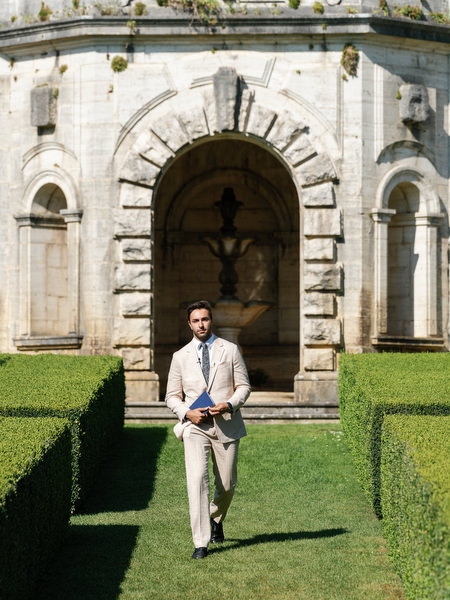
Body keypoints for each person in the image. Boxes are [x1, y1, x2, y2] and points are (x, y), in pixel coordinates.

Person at [165, 300, 251, 559]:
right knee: (197, 483)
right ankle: (201, 543)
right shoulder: (179, 357)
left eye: (205, 319)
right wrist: (186, 412)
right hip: (195, 427)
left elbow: (244, 387)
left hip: (227, 424)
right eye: (196, 320)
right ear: (189, 324)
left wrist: (229, 404)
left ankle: (215, 518)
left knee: (227, 484)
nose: (201, 324)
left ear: (211, 320)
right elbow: (171, 396)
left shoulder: (230, 350)